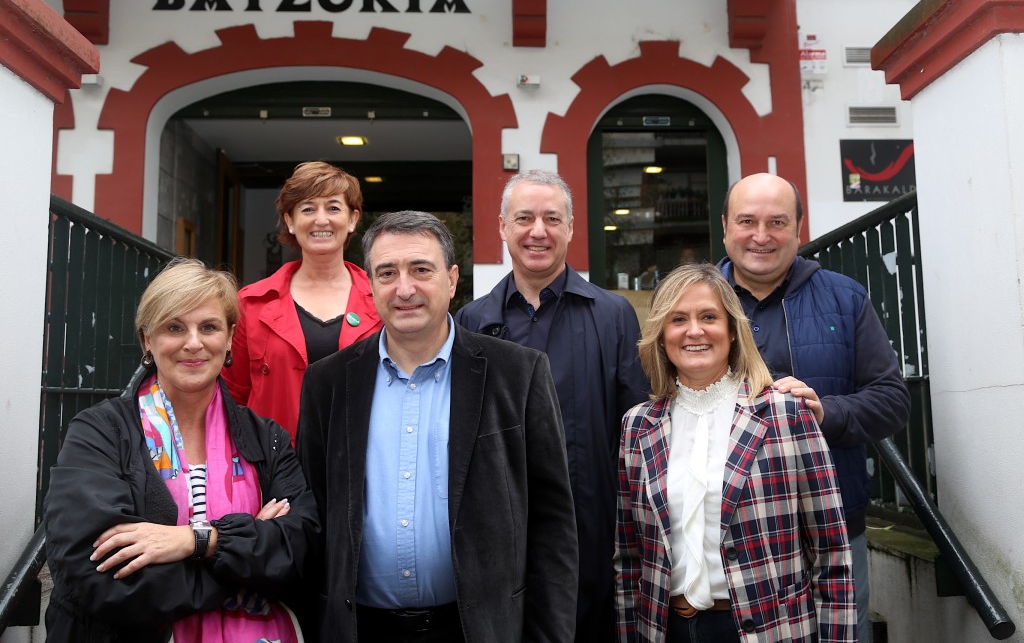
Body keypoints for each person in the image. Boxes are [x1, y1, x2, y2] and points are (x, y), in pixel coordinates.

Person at [297, 210, 578, 642]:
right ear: (370, 285)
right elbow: (312, 518)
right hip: (360, 629)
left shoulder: (517, 375)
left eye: (421, 270)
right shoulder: (327, 383)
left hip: (478, 630)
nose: (404, 288)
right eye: (387, 273)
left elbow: (552, 527)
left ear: (451, 279)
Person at [43, 258, 318, 643]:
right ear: (147, 339)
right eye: (174, 327)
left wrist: (195, 540)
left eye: (209, 327)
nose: (193, 343)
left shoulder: (266, 438)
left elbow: (300, 550)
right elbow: (103, 577)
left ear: (230, 337)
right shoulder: (100, 433)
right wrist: (247, 555)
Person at [456, 169, 649, 642]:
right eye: (524, 218)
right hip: (498, 532)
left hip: (593, 534)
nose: (537, 231)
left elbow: (639, 431)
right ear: (503, 226)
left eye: (552, 219)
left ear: (571, 227)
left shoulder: (612, 316)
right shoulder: (471, 323)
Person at [614, 263, 855, 643]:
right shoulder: (638, 425)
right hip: (666, 630)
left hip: (768, 630)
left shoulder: (785, 413)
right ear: (661, 336)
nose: (694, 330)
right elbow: (628, 559)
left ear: (731, 330)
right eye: (678, 319)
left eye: (709, 317)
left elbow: (831, 554)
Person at [718, 172, 911, 643]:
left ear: (798, 229)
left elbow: (892, 400)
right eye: (747, 221)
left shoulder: (845, 298)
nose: (761, 235)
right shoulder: (694, 303)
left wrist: (826, 412)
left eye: (777, 222)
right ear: (725, 227)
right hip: (722, 530)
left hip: (830, 526)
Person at [223, 160, 381, 439]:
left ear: (352, 219)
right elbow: (232, 395)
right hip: (274, 459)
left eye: (333, 208)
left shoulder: (382, 298)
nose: (321, 220)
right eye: (308, 209)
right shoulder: (250, 304)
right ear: (290, 221)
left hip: (360, 454)